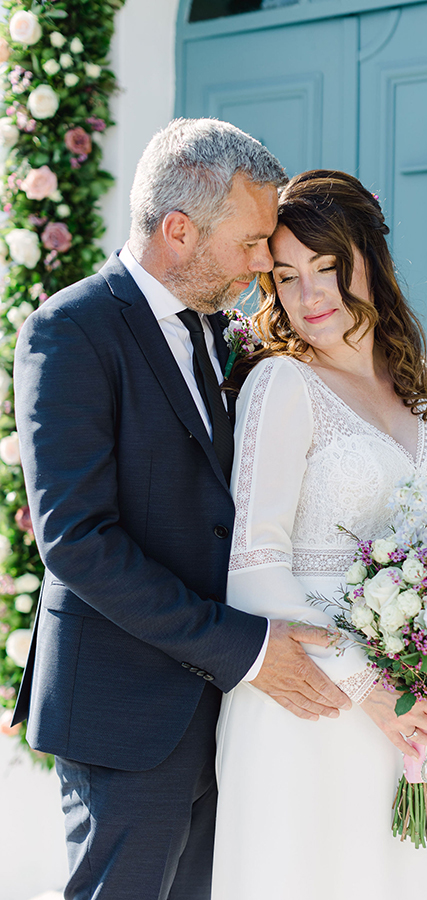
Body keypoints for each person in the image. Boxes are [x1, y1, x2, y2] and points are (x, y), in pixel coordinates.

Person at [12, 122, 353, 900]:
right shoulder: (69, 333)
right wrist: (249, 650)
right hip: (124, 714)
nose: (265, 262)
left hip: (223, 718)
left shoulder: (227, 335)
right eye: (254, 241)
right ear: (178, 230)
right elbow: (79, 542)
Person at [211, 170, 427, 899]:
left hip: (412, 709)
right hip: (315, 709)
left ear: (370, 260)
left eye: (328, 267)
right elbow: (252, 567)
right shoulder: (283, 385)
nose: (310, 295)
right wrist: (369, 687)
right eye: (288, 277)